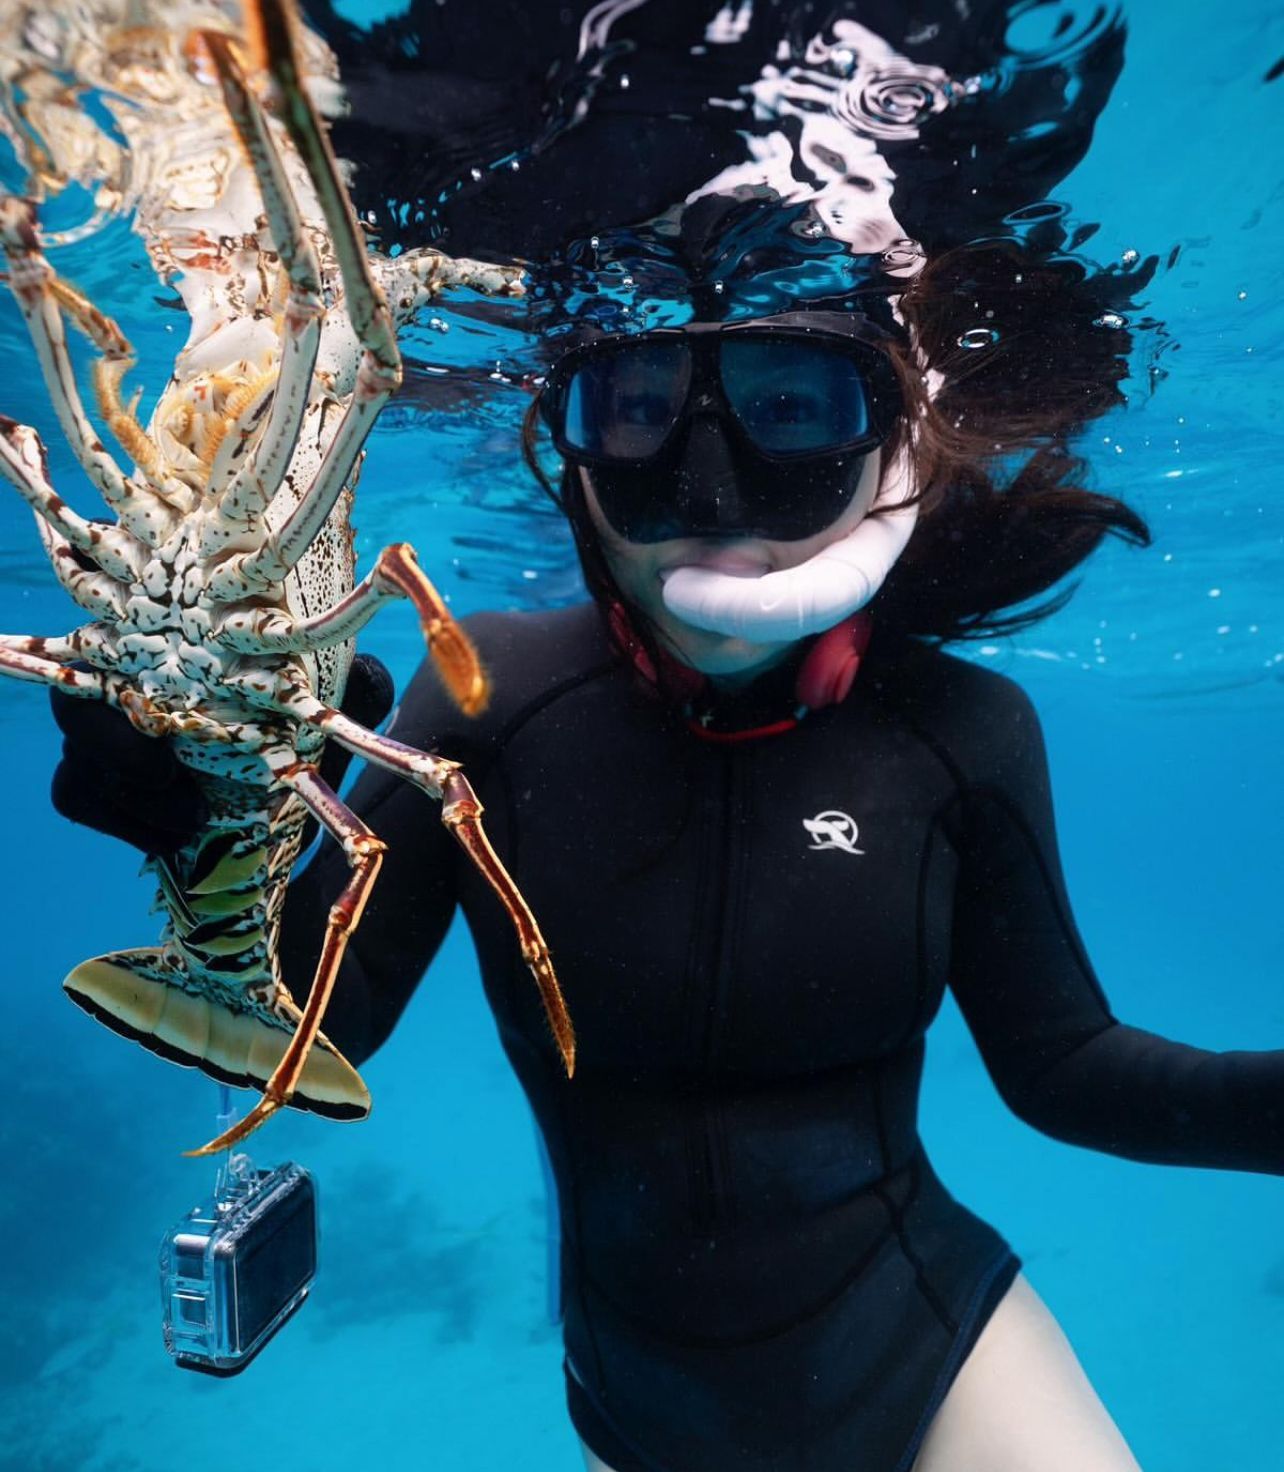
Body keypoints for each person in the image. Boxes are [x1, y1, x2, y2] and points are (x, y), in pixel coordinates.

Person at [48, 203, 1284, 1472]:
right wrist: (207, 823)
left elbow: (1067, 1066)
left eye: (795, 406)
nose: (708, 490)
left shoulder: (960, 732)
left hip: (934, 1346)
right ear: (574, 456)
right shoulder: (489, 696)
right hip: (643, 1399)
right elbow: (330, 1015)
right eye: (636, 409)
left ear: (893, 449)